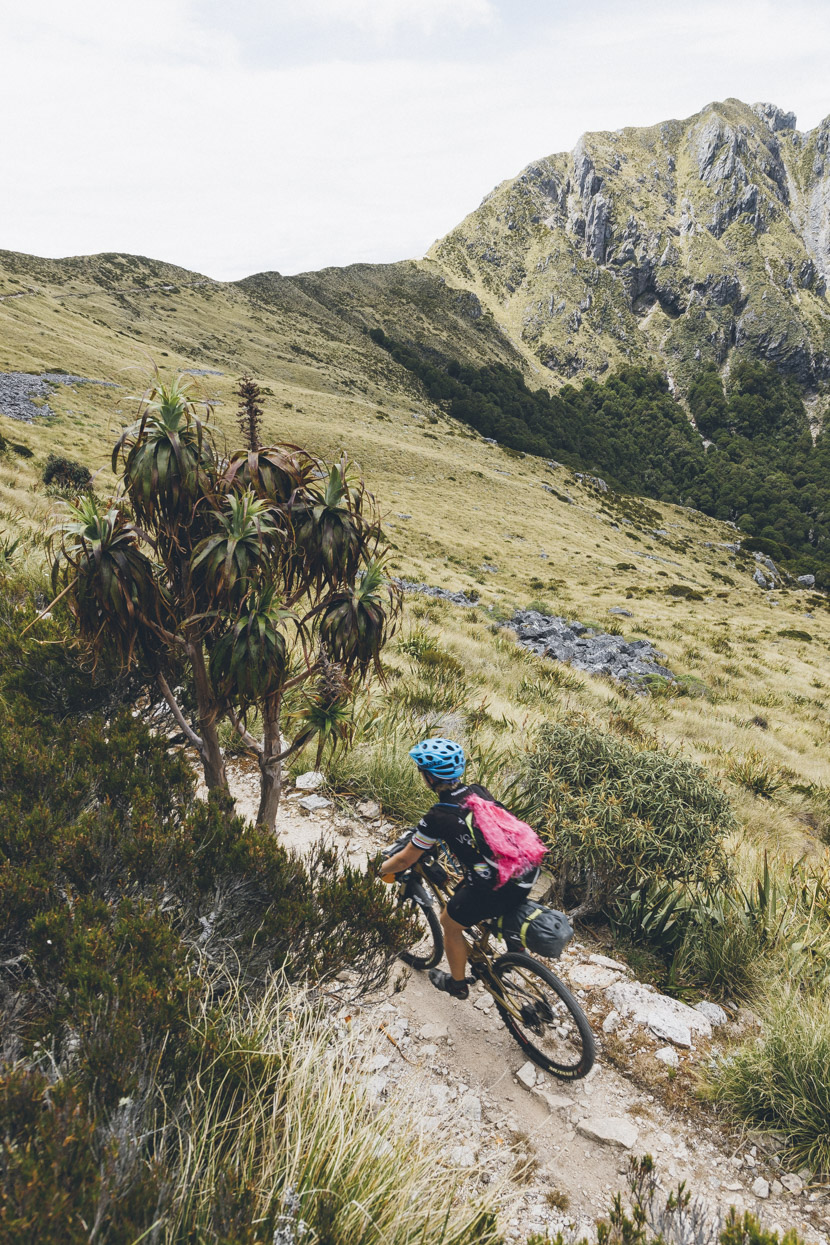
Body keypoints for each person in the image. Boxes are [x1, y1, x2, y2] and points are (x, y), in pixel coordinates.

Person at [378, 736, 541, 1000]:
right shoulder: (478, 791)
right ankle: (515, 948)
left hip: (499, 886)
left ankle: (457, 984)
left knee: (449, 923)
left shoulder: (437, 816)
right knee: (477, 892)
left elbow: (405, 860)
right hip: (526, 869)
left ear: (430, 778)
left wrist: (380, 868)